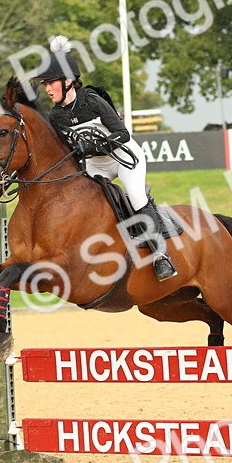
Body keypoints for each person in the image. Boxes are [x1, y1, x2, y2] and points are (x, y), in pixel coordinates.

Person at [31, 36, 177, 281]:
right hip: (95, 164)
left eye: (50, 82)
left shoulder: (93, 101)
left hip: (123, 156)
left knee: (136, 196)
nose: (47, 89)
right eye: (45, 84)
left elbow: (122, 133)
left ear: (68, 82)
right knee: (83, 202)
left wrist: (93, 144)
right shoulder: (56, 117)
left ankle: (162, 257)